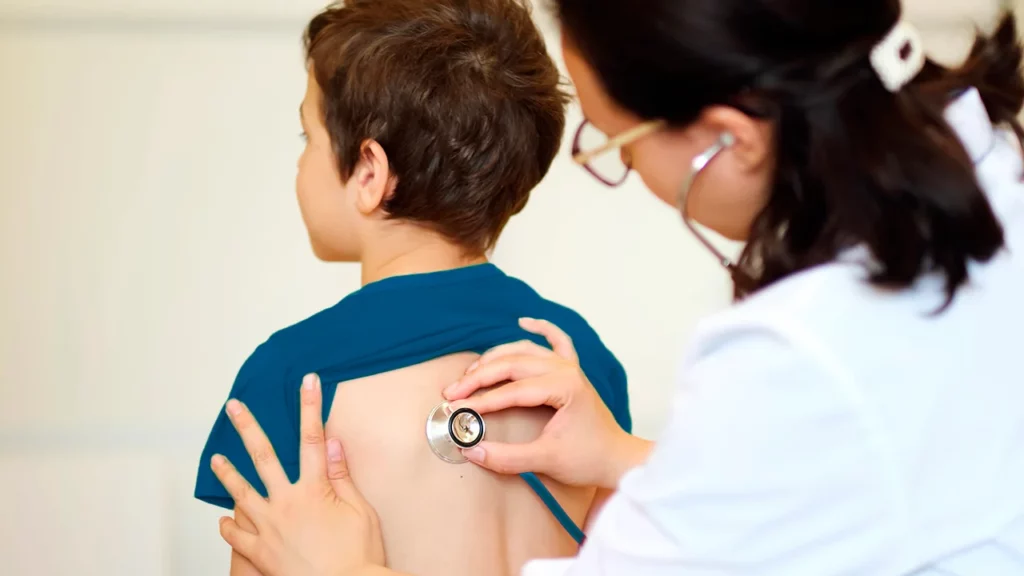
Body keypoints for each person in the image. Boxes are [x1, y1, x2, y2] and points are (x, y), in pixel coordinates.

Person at [204, 0, 1024, 574]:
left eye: (619, 141)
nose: (623, 166)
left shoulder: (288, 380)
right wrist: (621, 456)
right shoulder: (573, 361)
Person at [191, 1, 632, 575]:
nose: (301, 162)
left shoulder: (295, 375)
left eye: (309, 135)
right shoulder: (575, 356)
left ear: (369, 172)